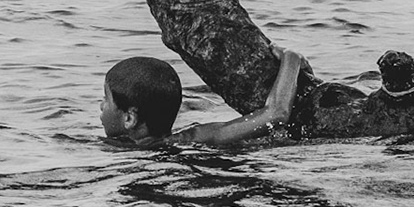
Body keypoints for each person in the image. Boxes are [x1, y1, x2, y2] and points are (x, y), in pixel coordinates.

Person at [100, 48, 306, 147]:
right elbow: (274, 113)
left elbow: (277, 115)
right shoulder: (197, 137)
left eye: (106, 99)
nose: (101, 106)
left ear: (130, 118)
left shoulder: (109, 149)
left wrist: (292, 57)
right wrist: (291, 59)